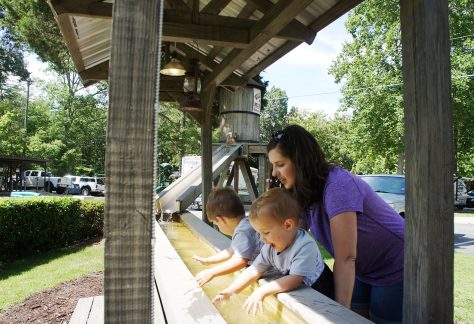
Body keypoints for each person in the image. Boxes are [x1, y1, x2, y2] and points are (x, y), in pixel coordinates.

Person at [267, 125, 404, 323]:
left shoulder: (337, 185)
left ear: (300, 160)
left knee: (374, 317)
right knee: (358, 315)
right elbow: (292, 237)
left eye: (279, 164)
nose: (274, 173)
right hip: (362, 269)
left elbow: (346, 256)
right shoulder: (303, 191)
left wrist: (337, 316)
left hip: (394, 264)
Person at [212, 188, 334, 315]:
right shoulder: (270, 247)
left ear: (288, 225)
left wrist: (262, 291)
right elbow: (254, 270)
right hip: (304, 291)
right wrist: (231, 290)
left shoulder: (305, 246)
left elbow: (294, 280)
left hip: (322, 291)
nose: (261, 239)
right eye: (259, 233)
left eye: (265, 232)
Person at [192, 187, 262, 287]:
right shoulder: (246, 223)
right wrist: (209, 260)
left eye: (216, 224)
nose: (217, 226)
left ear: (221, 220)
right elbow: (231, 250)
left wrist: (211, 272)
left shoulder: (242, 231)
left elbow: (241, 261)